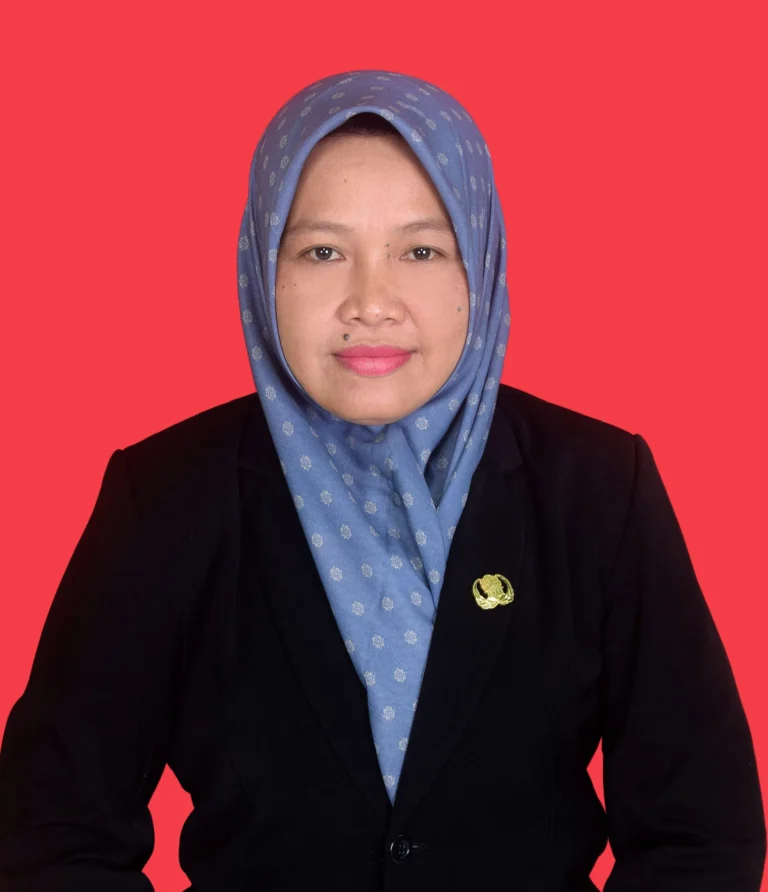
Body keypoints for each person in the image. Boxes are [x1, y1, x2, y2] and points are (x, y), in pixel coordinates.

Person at [0, 68, 764, 891]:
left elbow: (702, 835)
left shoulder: (600, 488)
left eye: (421, 251)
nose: (371, 301)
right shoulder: (163, 500)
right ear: (264, 267)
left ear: (479, 265)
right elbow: (50, 834)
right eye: (323, 251)